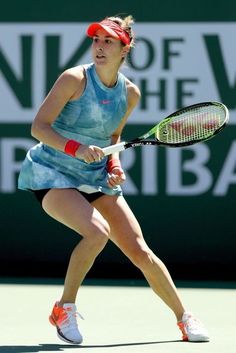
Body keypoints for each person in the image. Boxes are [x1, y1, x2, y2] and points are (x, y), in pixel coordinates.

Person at [18, 15, 209, 344]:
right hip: (51, 171)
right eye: (96, 40)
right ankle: (64, 308)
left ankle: (184, 318)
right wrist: (77, 149)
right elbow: (39, 127)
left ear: (125, 48)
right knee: (96, 233)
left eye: (108, 41)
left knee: (140, 252)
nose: (99, 47)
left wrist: (113, 162)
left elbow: (114, 136)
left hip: (94, 174)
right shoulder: (73, 79)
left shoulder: (130, 94)